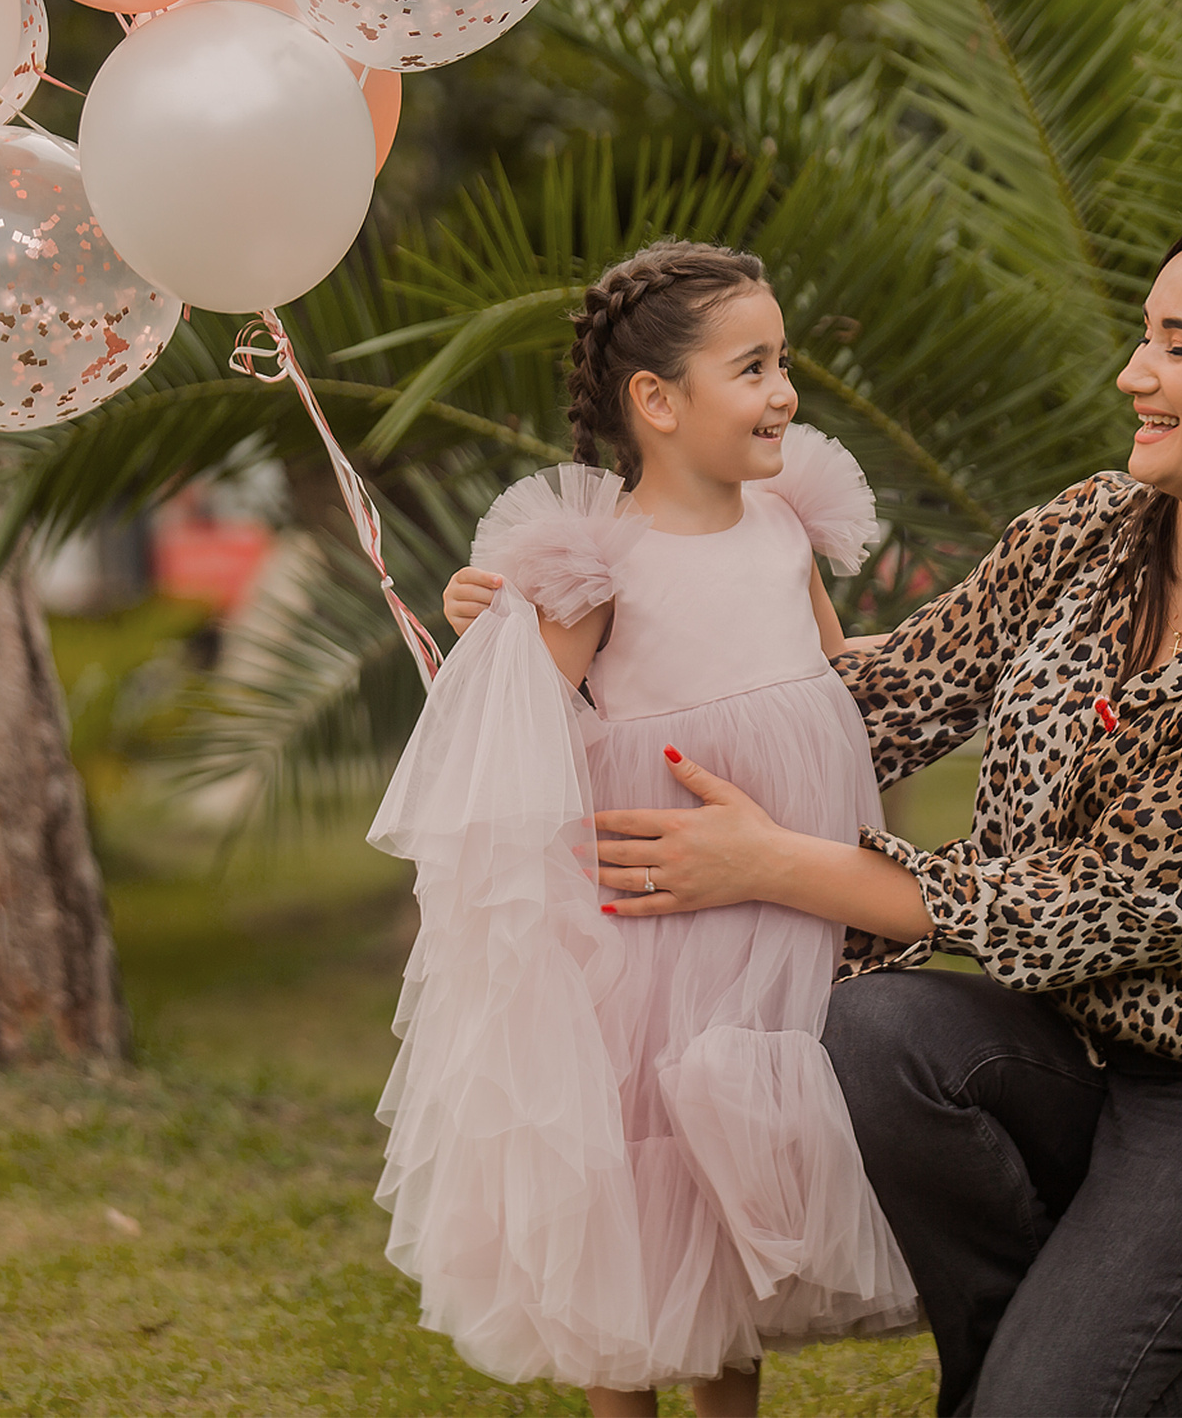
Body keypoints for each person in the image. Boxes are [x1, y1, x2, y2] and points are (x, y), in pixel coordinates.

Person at [444, 210, 1182, 1414]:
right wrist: (573, 657)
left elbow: (1079, 912)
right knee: (876, 1037)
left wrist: (772, 863)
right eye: (1142, 335)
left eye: (1179, 347)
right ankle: (1026, 1367)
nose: (1133, 374)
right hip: (1064, 1053)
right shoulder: (1091, 531)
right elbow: (887, 696)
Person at [371, 241, 922, 1418]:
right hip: (651, 928)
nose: (782, 392)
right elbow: (515, 720)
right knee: (638, 1180)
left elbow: (836, 673)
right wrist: (500, 623)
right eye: (753, 367)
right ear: (657, 402)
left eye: (785, 365)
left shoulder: (784, 526)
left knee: (735, 1184)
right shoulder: (598, 560)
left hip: (775, 918)